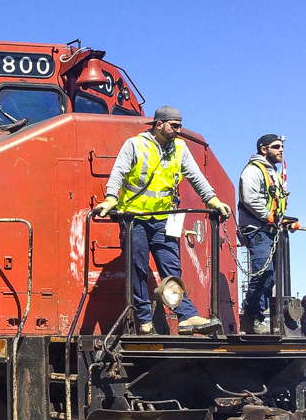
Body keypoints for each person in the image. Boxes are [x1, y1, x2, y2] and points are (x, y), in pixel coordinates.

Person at [95, 106, 232, 335]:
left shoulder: (180, 148)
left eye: (179, 125)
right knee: (137, 270)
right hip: (134, 218)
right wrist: (110, 199)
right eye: (174, 125)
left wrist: (213, 200)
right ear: (159, 124)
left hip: (164, 219)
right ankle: (145, 319)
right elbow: (118, 172)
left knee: (171, 267)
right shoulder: (135, 145)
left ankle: (186, 317)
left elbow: (196, 176)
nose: (178, 130)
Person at [237, 134, 287, 334]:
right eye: (276, 146)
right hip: (257, 230)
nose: (281, 150)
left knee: (270, 277)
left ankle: (256, 318)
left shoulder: (271, 172)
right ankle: (252, 317)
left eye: (282, 146)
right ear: (264, 149)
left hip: (270, 230)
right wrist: (270, 216)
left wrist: (283, 220)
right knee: (263, 274)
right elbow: (250, 198)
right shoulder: (253, 171)